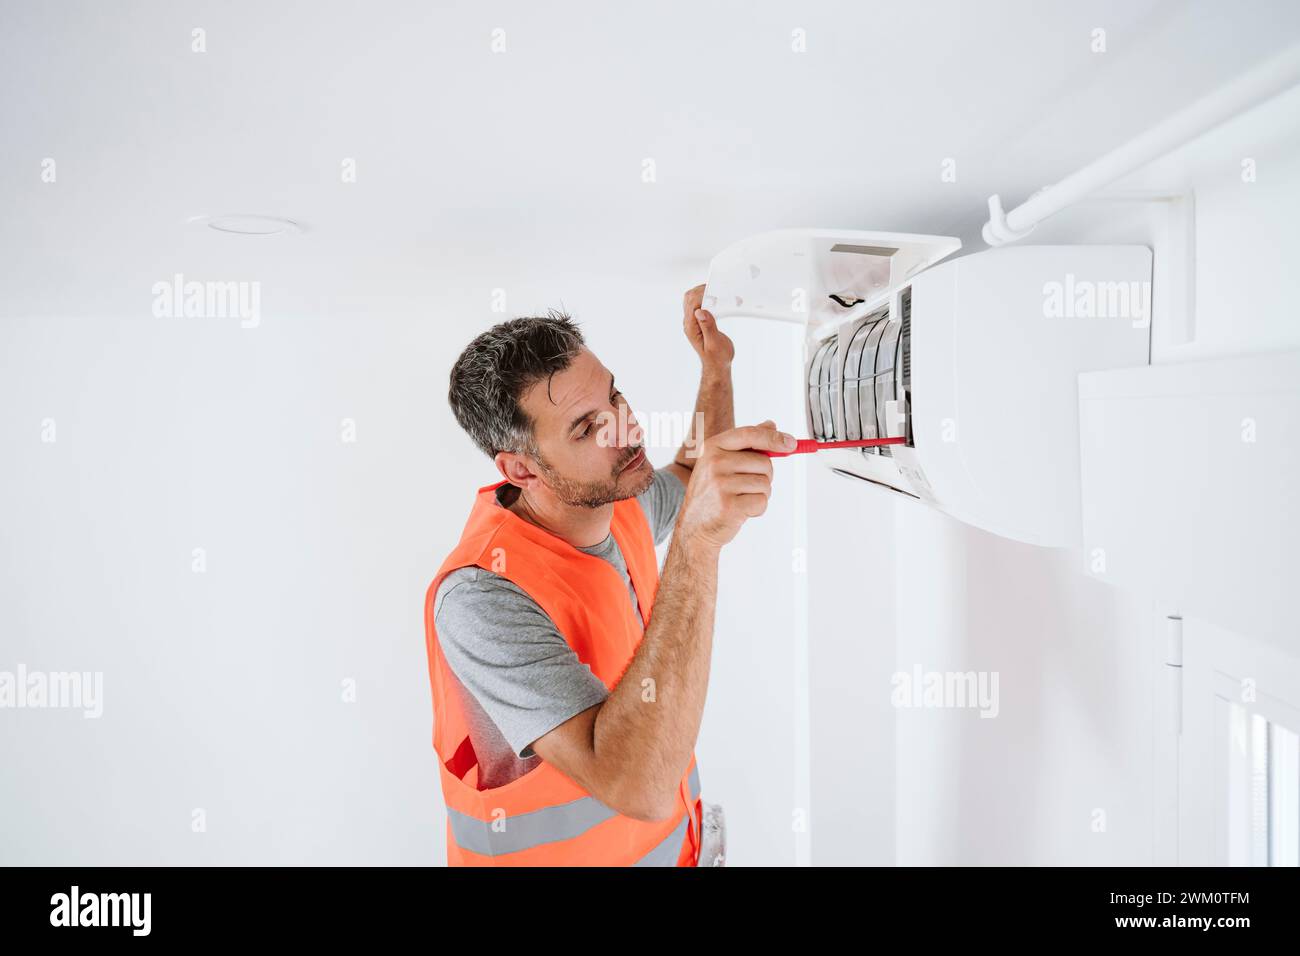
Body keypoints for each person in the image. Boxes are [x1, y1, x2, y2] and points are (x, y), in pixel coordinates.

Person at [423, 284, 796, 865]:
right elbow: (637, 787)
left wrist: (716, 368)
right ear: (521, 468)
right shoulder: (481, 596)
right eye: (583, 427)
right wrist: (697, 544)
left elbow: (692, 470)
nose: (624, 429)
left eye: (615, 396)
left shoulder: (615, 500)